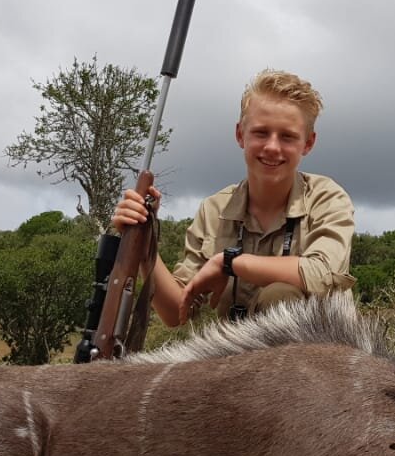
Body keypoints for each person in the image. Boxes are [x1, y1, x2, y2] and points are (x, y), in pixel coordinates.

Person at [112, 69, 355, 326]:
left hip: (321, 358)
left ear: (308, 143)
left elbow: (321, 275)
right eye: (261, 133)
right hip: (243, 361)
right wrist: (143, 243)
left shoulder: (327, 198)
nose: (272, 147)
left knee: (281, 297)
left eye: (287, 136)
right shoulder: (214, 210)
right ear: (240, 134)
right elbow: (176, 312)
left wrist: (229, 263)